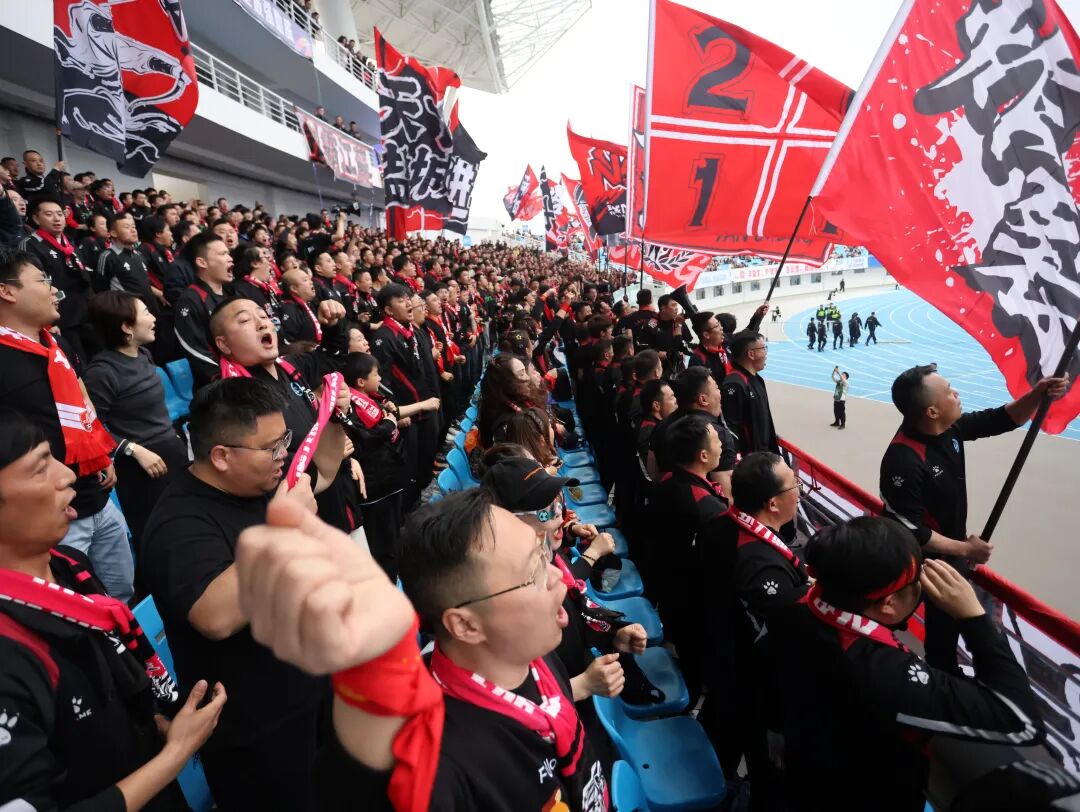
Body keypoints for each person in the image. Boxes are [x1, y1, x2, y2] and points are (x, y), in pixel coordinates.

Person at [235, 487, 615, 811]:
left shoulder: (533, 657)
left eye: (543, 552)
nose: (556, 576)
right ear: (465, 625)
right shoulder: (444, 758)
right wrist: (372, 679)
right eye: (533, 572)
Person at [0, 407, 227, 812]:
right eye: (40, 468)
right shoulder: (9, 652)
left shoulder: (71, 566)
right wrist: (176, 753)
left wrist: (157, 724)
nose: (67, 475)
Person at [140, 378, 335, 810]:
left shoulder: (261, 482)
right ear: (221, 456)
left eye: (285, 440)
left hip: (310, 695)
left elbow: (325, 471)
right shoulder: (179, 525)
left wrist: (336, 420)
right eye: (272, 447)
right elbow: (216, 615)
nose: (283, 454)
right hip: (258, 734)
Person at [777, 517, 1044, 811]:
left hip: (805, 768)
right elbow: (1021, 722)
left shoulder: (795, 607)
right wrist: (974, 618)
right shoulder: (880, 670)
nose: (923, 587)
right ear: (889, 604)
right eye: (918, 581)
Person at [879, 365, 1068, 674]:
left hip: (950, 556)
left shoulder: (949, 428)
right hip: (918, 562)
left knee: (944, 635)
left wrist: (1037, 394)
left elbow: (1001, 419)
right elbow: (913, 531)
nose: (956, 393)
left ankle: (942, 675)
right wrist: (967, 550)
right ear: (932, 411)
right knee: (893, 616)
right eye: (949, 391)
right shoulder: (903, 460)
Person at [0, 248, 133, 602]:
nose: (54, 289)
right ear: (7, 291)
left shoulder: (55, 342)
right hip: (50, 517)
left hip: (97, 496)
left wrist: (100, 452)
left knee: (121, 593)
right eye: (43, 280)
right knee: (71, 608)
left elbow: (80, 394)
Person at [84, 292, 189, 552]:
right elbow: (91, 428)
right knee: (159, 539)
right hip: (143, 469)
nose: (154, 319)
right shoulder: (102, 372)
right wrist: (133, 449)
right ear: (126, 327)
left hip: (171, 455)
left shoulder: (144, 355)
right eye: (146, 313)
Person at [20, 195, 97, 364]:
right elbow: (34, 285)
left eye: (60, 214)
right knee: (79, 365)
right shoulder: (30, 244)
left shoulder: (70, 244)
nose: (56, 219)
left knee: (98, 357)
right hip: (62, 319)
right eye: (49, 214)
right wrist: (47, 323)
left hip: (86, 313)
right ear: (36, 218)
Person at [173, 232, 234, 387]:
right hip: (220, 385)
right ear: (202, 262)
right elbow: (193, 349)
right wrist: (224, 378)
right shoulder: (190, 299)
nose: (230, 258)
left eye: (228, 253)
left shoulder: (233, 293)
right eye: (223, 254)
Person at [722, 330, 780, 456]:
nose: (766, 353)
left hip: (763, 456)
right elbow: (731, 429)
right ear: (751, 354)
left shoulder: (757, 380)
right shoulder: (735, 385)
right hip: (751, 460)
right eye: (763, 348)